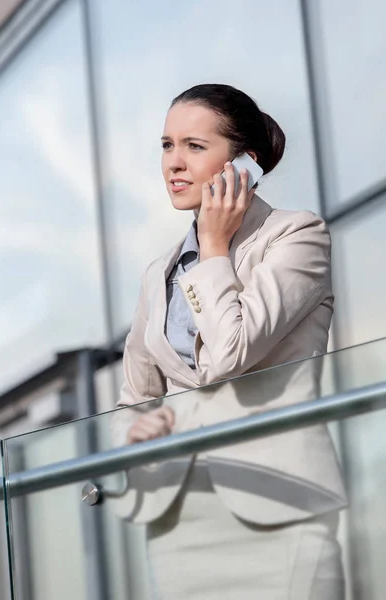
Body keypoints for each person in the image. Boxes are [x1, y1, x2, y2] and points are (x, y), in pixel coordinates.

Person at [111, 84, 347, 599]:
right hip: (179, 519)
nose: (174, 162)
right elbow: (131, 401)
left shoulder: (297, 237)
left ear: (247, 164)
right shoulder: (159, 274)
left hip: (278, 507)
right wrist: (136, 432)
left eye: (195, 147)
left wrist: (215, 246)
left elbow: (232, 353)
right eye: (167, 145)